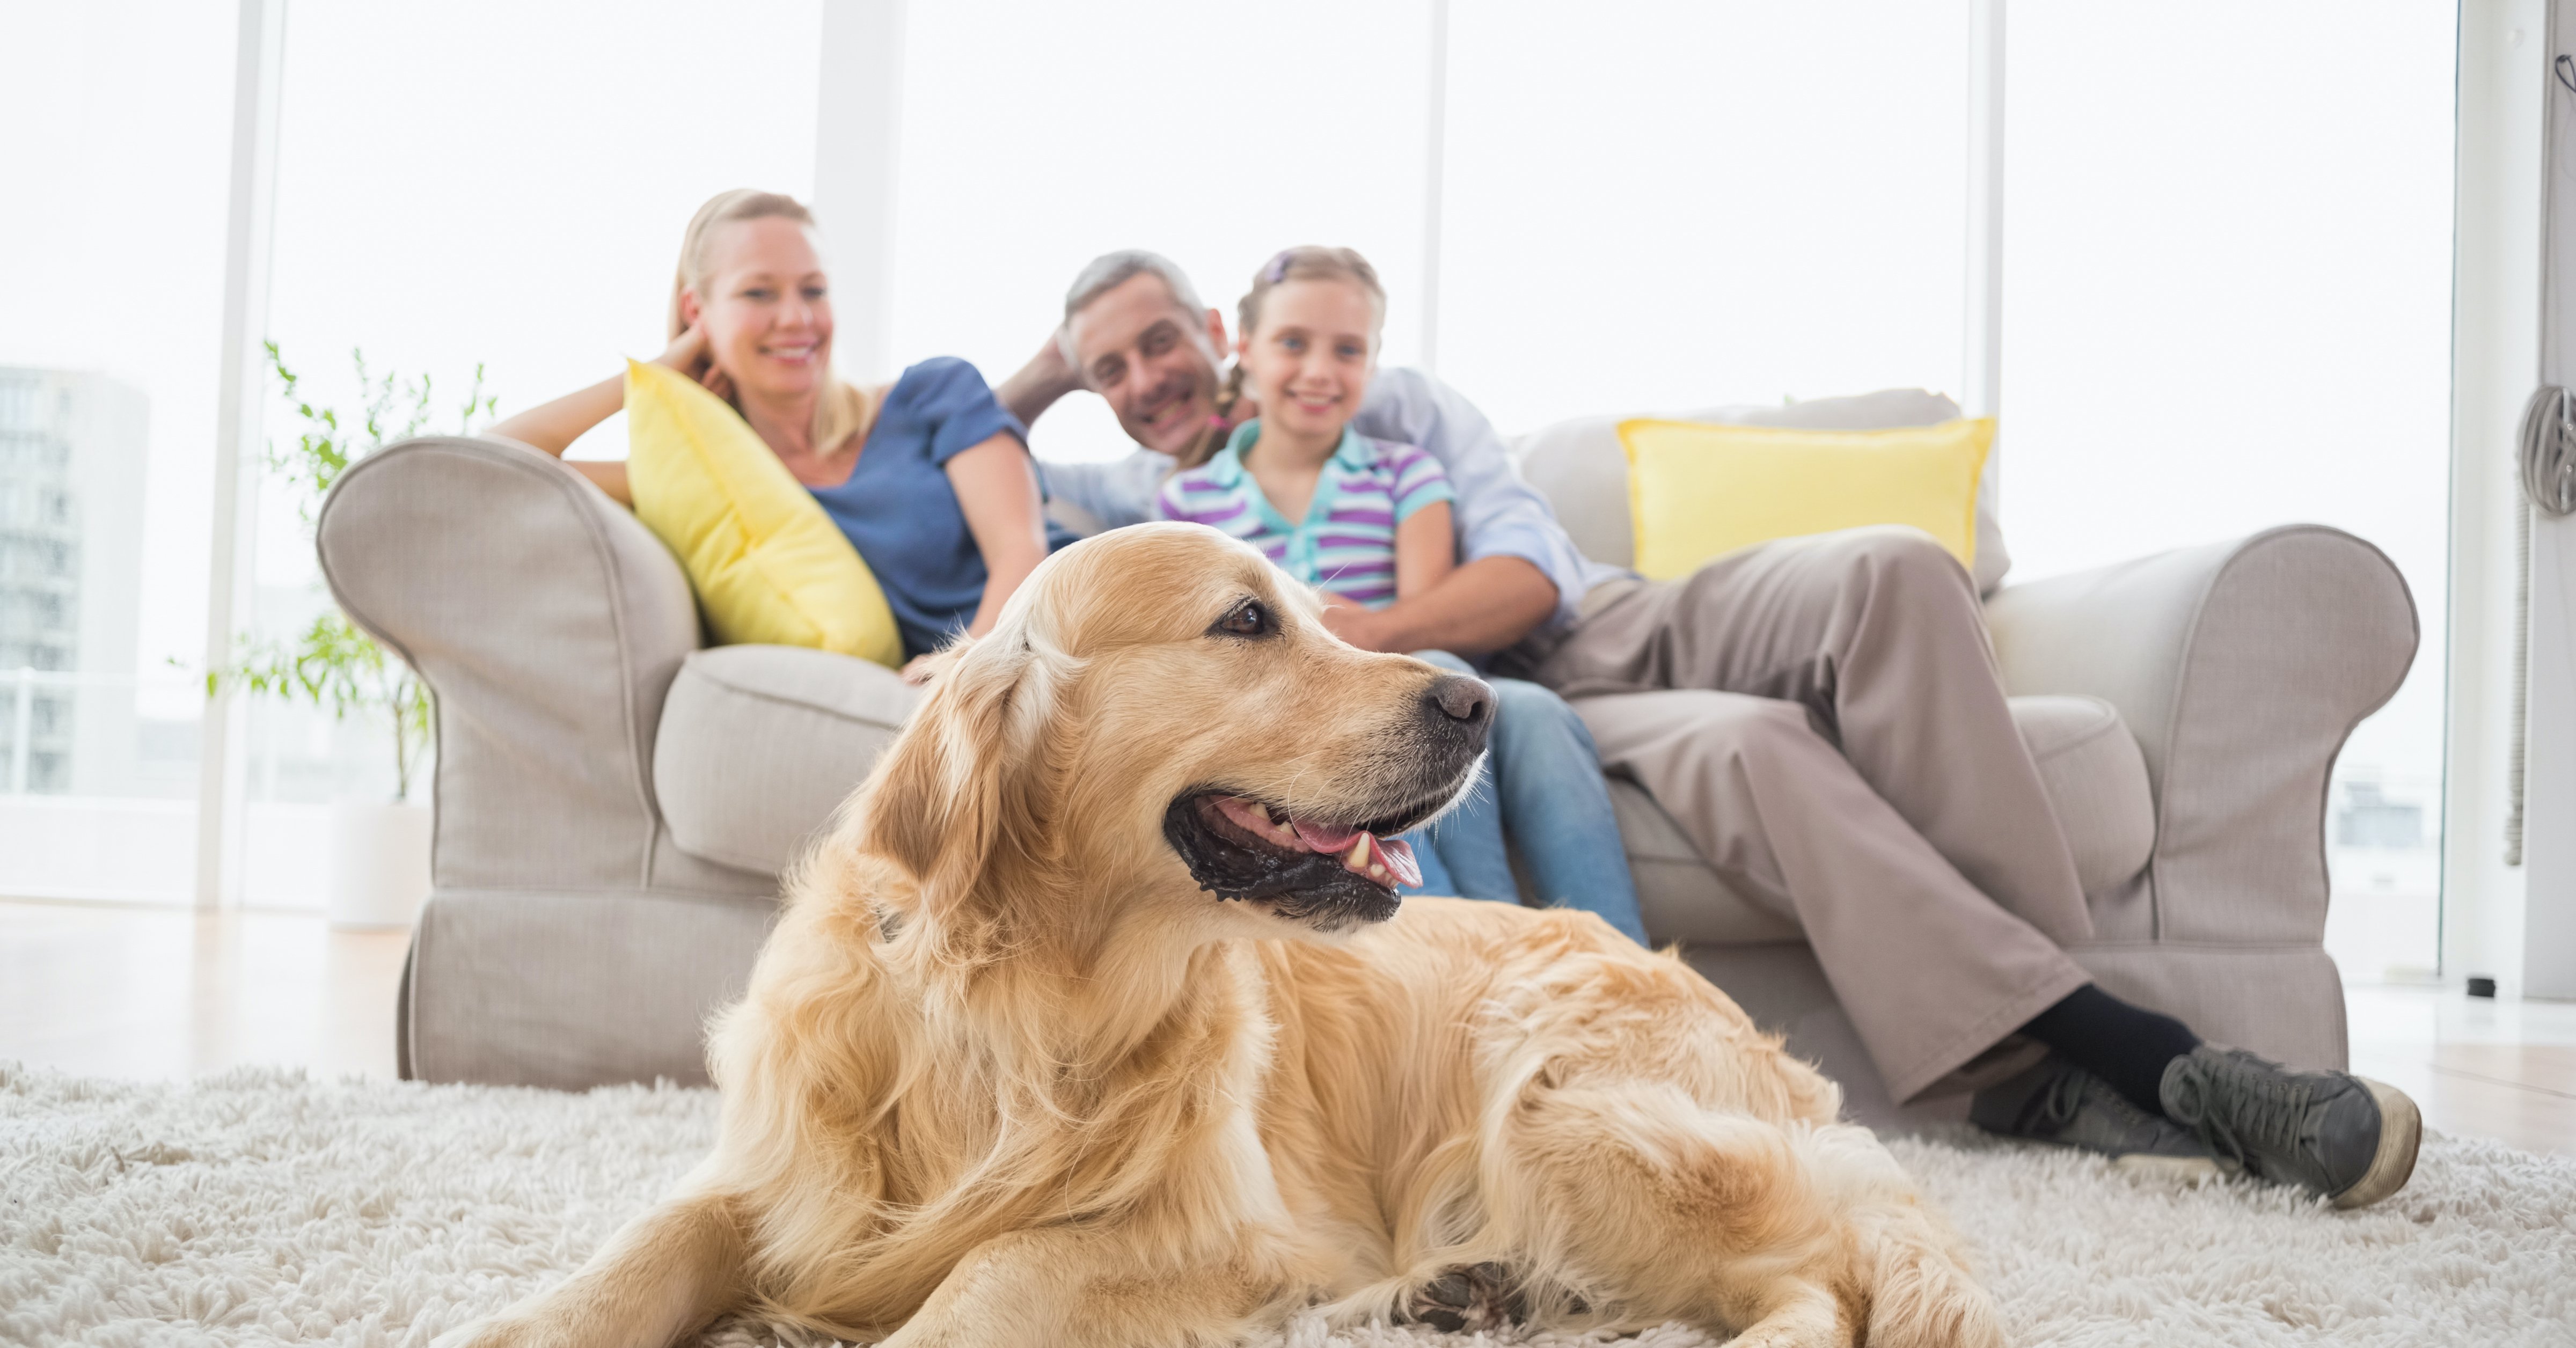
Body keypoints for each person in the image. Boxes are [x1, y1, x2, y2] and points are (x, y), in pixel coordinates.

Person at [1000, 248, 2423, 1209]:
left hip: (1607, 621)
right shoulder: (1147, 511)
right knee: (1753, 756)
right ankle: (2138, 1059)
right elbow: (957, 449)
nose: (1143, 386)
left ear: (1217, 327)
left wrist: (1362, 639)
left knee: (1894, 569)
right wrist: (1045, 378)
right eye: (1107, 374)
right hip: (1545, 712)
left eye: (1155, 345)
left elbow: (1525, 575)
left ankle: (2059, 1051)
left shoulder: (1384, 403)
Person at [1153, 247, 1648, 945]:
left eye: (1348, 350)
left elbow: (1421, 636)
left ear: (1374, 363)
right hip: (1298, 713)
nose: (1321, 371)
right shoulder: (1187, 500)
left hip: (1403, 680)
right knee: (1486, 699)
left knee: (1535, 711)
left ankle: (1625, 956)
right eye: (1294, 343)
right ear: (1246, 349)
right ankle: (1477, 947)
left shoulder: (1407, 473)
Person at [491, 189, 1067, 680]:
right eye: (759, 293)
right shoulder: (717, 487)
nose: (796, 318)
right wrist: (652, 373)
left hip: (1069, 622)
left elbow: (1021, 550)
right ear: (698, 312)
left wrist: (961, 671)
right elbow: (491, 465)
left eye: (813, 290)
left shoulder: (933, 392)